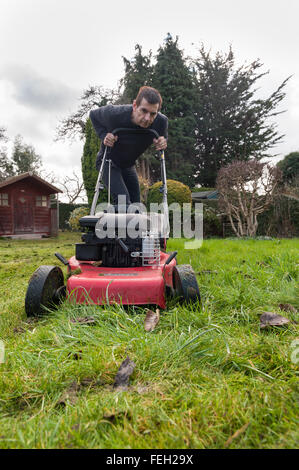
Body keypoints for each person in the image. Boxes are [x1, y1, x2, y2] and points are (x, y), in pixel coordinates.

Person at [89, 86, 168, 208]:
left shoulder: (161, 122)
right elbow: (93, 115)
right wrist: (104, 135)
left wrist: (163, 141)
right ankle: (107, 222)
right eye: (144, 111)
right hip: (109, 163)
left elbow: (163, 137)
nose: (148, 118)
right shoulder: (114, 114)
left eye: (153, 114)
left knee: (137, 206)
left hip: (128, 165)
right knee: (124, 203)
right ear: (135, 105)